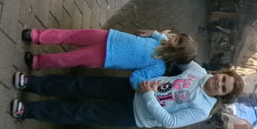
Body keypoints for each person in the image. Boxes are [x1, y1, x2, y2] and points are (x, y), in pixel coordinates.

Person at [9, 62, 243, 127]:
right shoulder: (197, 71)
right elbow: (177, 53)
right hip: (132, 88)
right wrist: (161, 36)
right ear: (221, 72)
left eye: (223, 87)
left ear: (222, 96)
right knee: (82, 85)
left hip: (133, 114)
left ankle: (27, 110)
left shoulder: (202, 110)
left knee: (80, 112)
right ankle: (32, 83)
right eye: (223, 78)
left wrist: (149, 96)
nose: (218, 83)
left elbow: (169, 121)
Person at [20, 28, 196, 87]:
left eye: (177, 40)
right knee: (72, 35)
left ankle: (37, 62)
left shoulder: (158, 67)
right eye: (177, 36)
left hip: (106, 56)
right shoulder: (163, 39)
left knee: (68, 58)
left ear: (178, 53)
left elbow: (137, 79)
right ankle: (36, 36)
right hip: (109, 36)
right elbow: (149, 34)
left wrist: (144, 85)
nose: (173, 37)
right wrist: (156, 32)